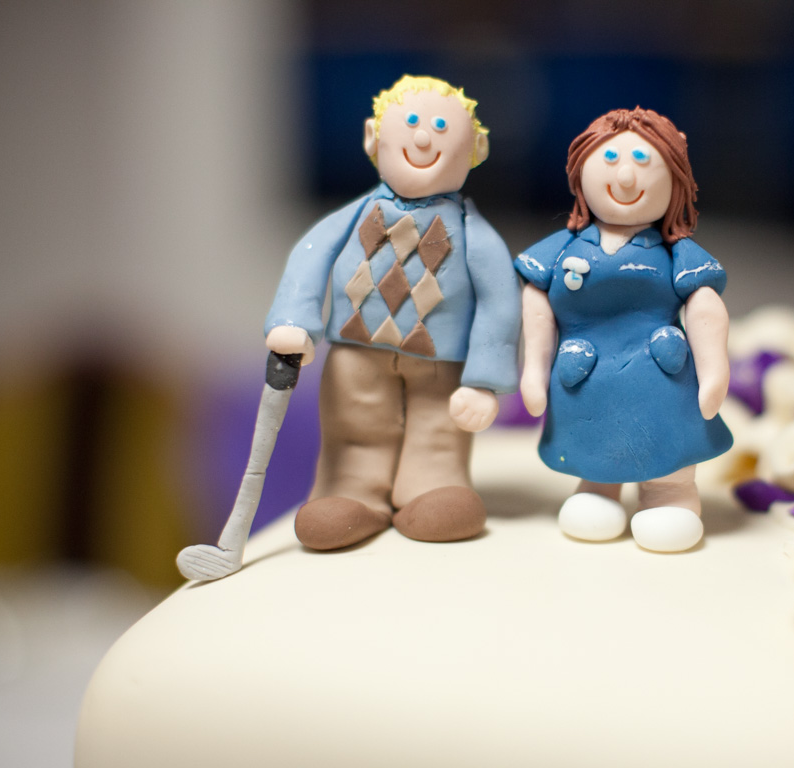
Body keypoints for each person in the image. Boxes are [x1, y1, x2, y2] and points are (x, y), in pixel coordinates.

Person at [266, 75, 520, 550]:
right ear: (372, 137)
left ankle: (433, 486)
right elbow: (308, 260)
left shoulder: (475, 235)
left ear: (477, 149)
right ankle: (350, 489)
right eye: (412, 122)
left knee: (438, 432)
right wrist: (294, 321)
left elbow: (500, 302)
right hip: (355, 357)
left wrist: (484, 380)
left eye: (440, 127)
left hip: (442, 366)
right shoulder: (350, 218)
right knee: (355, 428)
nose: (423, 138)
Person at [514, 107, 732, 552]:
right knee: (594, 441)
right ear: (581, 173)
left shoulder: (676, 252)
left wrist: (714, 371)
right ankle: (597, 489)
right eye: (611, 160)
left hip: (661, 372)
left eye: (642, 161)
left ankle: (669, 493)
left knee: (666, 437)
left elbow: (704, 304)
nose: (627, 177)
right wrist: (533, 370)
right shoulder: (562, 249)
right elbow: (536, 303)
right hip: (585, 374)